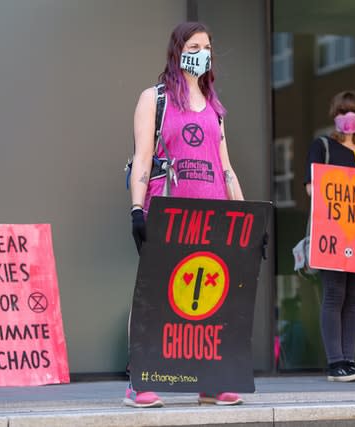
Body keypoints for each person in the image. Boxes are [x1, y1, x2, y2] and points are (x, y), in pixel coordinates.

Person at [125, 22, 244, 408]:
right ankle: (138, 380)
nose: (202, 52)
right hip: (170, 210)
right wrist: (137, 208)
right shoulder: (154, 98)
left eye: (207, 46)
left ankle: (210, 382)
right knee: (156, 295)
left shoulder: (214, 106)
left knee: (210, 297)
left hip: (213, 214)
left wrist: (246, 217)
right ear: (178, 50)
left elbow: (226, 166)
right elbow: (143, 157)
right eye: (195, 46)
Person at [304, 90, 355, 382]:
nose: (350, 117)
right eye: (344, 111)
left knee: (354, 297)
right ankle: (335, 363)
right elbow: (311, 187)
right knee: (335, 293)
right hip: (332, 230)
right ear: (335, 116)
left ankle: (349, 359)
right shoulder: (322, 146)